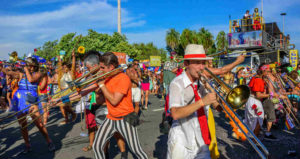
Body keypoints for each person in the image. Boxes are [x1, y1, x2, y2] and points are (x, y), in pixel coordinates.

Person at [167, 44, 220, 159]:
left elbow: (217, 106)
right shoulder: (177, 83)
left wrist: (212, 91)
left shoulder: (201, 81)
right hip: (181, 142)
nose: (201, 67)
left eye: (203, 63)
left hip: (201, 140)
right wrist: (202, 102)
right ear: (186, 64)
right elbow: (175, 113)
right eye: (196, 63)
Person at [1, 57, 55, 153]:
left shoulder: (39, 72)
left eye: (29, 65)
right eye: (27, 65)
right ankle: (27, 144)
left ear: (33, 65)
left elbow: (31, 80)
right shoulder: (22, 74)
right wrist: (1, 67)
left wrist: (26, 70)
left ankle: (49, 141)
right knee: (23, 125)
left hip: (31, 101)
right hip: (20, 102)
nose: (27, 67)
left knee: (39, 124)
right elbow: (9, 73)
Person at [56, 52, 77, 125]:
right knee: (61, 107)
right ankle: (66, 119)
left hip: (68, 92)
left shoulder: (71, 73)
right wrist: (59, 60)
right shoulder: (61, 73)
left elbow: (73, 65)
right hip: (61, 92)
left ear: (68, 67)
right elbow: (59, 67)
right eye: (63, 67)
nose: (64, 68)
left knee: (66, 106)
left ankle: (73, 114)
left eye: (65, 67)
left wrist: (73, 57)